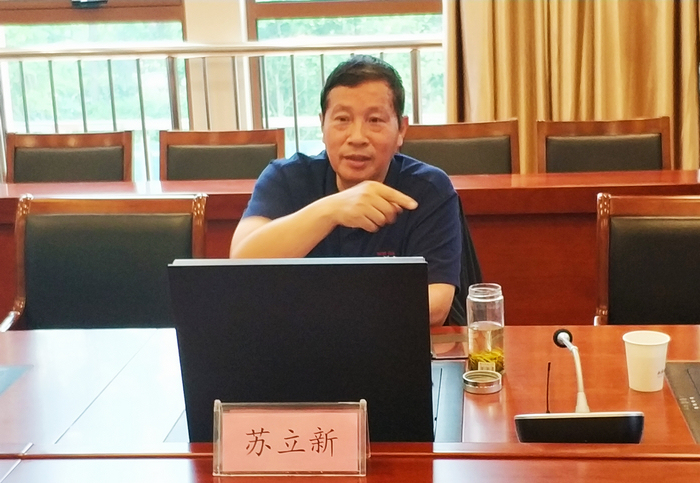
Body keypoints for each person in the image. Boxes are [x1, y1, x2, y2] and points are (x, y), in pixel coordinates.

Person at [229, 55, 463, 326]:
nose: (357, 137)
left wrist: (322, 310)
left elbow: (436, 305)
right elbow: (240, 264)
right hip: (297, 341)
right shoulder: (286, 178)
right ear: (322, 125)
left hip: (390, 342)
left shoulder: (429, 189)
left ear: (401, 129)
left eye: (375, 120)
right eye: (342, 119)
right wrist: (331, 210)